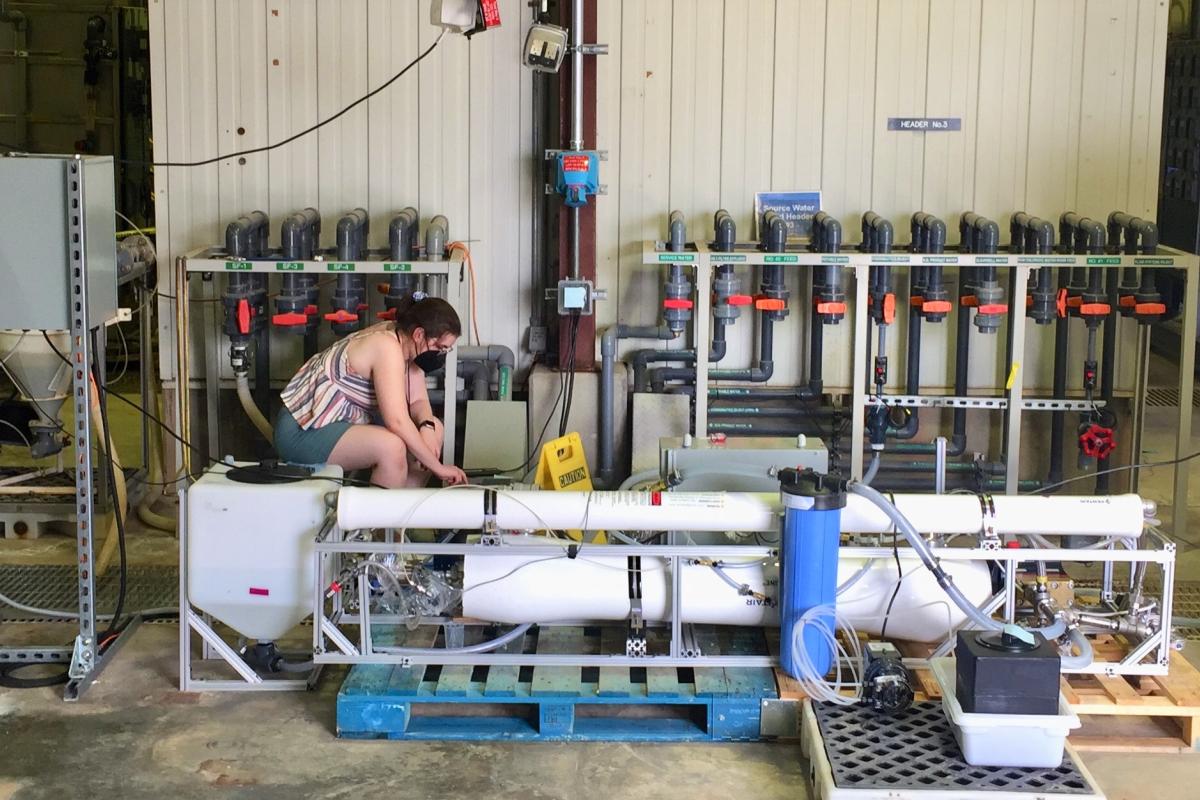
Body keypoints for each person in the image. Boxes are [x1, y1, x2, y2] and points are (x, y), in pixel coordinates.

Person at [274, 294, 468, 488]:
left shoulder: (406, 341)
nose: (440, 354)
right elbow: (397, 421)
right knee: (391, 447)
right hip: (302, 430)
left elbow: (418, 401)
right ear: (419, 334)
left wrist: (427, 428)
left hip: (337, 422)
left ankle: (405, 510)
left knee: (435, 428)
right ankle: (383, 516)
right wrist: (439, 468)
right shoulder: (386, 346)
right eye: (440, 348)